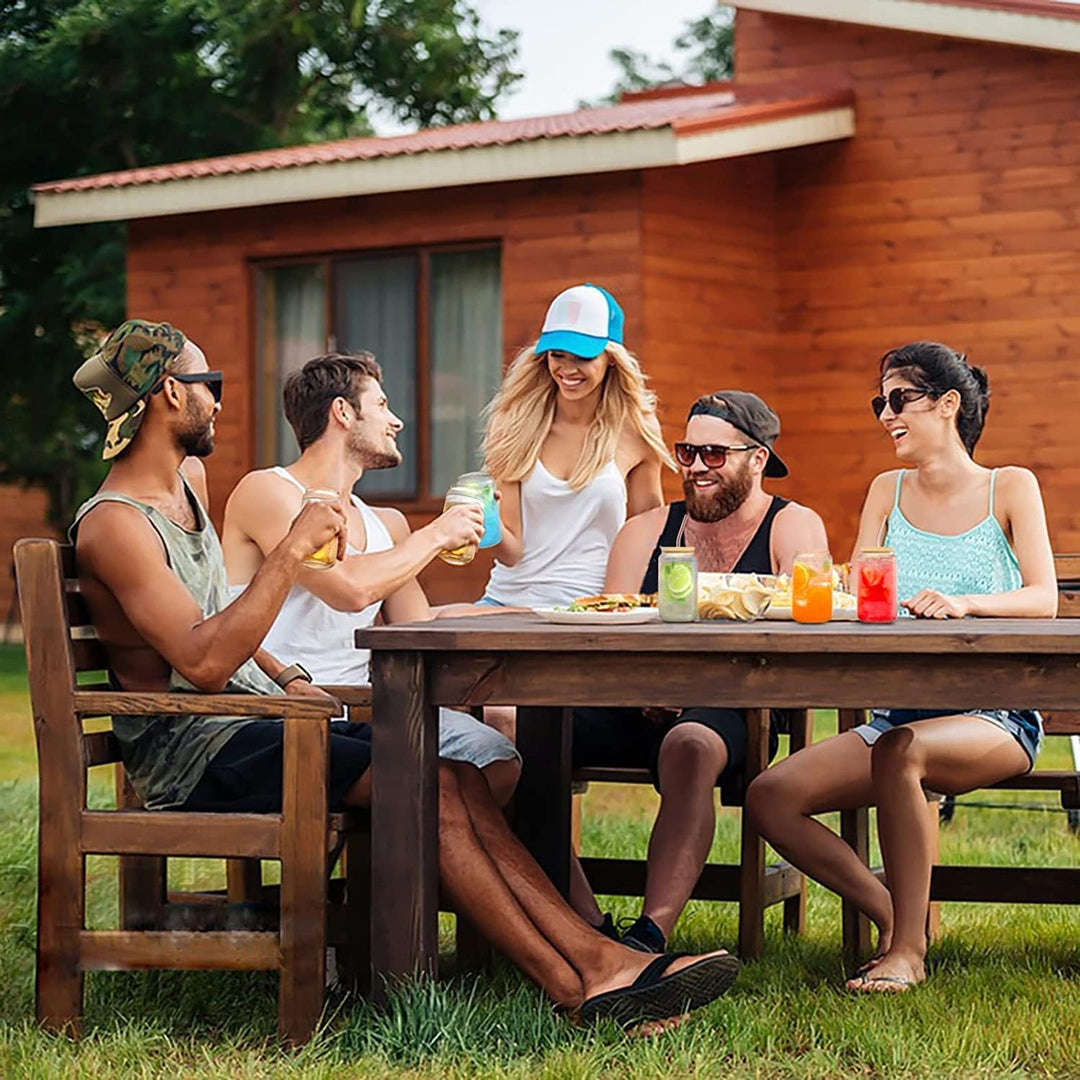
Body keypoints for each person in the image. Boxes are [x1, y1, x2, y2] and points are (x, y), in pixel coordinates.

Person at [70, 319, 740, 1027]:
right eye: (212, 387)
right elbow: (203, 661)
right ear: (171, 392)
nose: (221, 402)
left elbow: (214, 613)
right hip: (196, 748)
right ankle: (580, 984)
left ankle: (603, 962)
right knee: (426, 781)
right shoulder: (116, 523)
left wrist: (289, 676)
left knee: (451, 775)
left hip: (258, 716)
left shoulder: (190, 485)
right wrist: (292, 553)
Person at [745, 341, 1057, 993]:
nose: (886, 414)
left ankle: (906, 953)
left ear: (948, 406)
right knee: (770, 796)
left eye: (900, 400)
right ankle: (896, 914)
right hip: (896, 718)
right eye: (879, 402)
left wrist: (964, 603)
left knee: (900, 752)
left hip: (993, 719)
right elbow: (865, 594)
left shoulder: (1010, 486)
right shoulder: (885, 491)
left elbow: (1044, 599)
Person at [572, 391, 829, 953]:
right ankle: (583, 924)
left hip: (740, 704)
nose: (694, 468)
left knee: (690, 743)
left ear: (757, 458)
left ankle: (648, 936)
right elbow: (610, 628)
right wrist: (643, 687)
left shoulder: (793, 526)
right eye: (687, 452)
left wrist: (692, 689)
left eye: (714, 455)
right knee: (515, 731)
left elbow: (806, 634)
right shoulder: (646, 531)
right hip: (635, 699)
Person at [221, 352, 521, 806]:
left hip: (365, 707)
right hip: (284, 713)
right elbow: (348, 589)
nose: (396, 420)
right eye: (381, 405)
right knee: (438, 772)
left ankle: (411, 874)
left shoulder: (388, 525)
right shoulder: (267, 492)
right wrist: (437, 533)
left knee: (496, 757)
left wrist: (519, 614)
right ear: (342, 412)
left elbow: (416, 629)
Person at [477, 284, 673, 739]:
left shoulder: (636, 433)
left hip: (585, 612)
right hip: (508, 605)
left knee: (506, 717)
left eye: (581, 356)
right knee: (424, 650)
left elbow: (651, 534)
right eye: (556, 355)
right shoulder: (514, 423)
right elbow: (510, 550)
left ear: (610, 357)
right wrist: (478, 527)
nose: (567, 369)